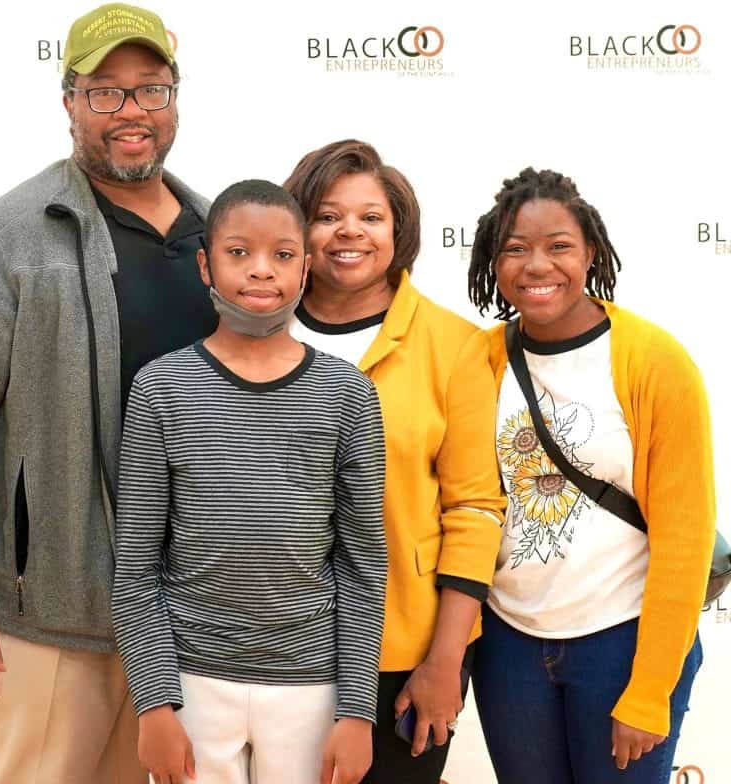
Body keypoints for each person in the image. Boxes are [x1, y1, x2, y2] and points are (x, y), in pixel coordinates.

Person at [0, 3, 216, 781]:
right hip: (45, 620)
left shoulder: (218, 234)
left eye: (151, 89)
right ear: (70, 101)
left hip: (183, 621)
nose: (132, 111)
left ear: (175, 97)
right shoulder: (11, 235)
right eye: (105, 92)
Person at [111, 179, 388, 784]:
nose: (261, 272)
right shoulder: (161, 388)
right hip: (191, 680)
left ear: (307, 268)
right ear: (206, 264)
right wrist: (154, 703)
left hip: (311, 684)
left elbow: (364, 563)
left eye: (282, 255)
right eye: (239, 253)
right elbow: (134, 566)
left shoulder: (347, 394)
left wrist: (357, 709)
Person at [467, 167, 716, 784]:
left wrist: (650, 687)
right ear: (492, 264)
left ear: (591, 254)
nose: (537, 265)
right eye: (515, 249)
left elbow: (684, 540)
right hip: (511, 648)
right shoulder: (480, 360)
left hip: (622, 643)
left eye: (559, 246)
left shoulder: (653, 361)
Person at [283, 139, 506, 784]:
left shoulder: (453, 346)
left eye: (370, 217)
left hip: (402, 654)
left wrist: (443, 663)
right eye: (326, 216)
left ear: (398, 230)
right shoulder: (251, 332)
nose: (348, 231)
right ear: (297, 227)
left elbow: (473, 510)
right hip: (266, 646)